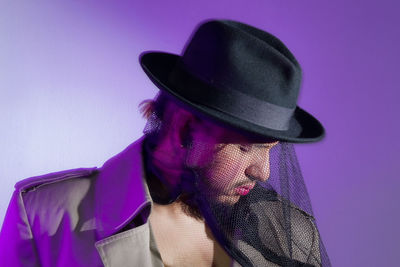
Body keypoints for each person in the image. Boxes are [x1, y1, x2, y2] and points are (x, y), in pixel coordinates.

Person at [0, 19, 331, 266]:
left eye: (270, 149)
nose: (263, 172)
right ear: (186, 129)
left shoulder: (290, 234)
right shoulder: (46, 217)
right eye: (246, 147)